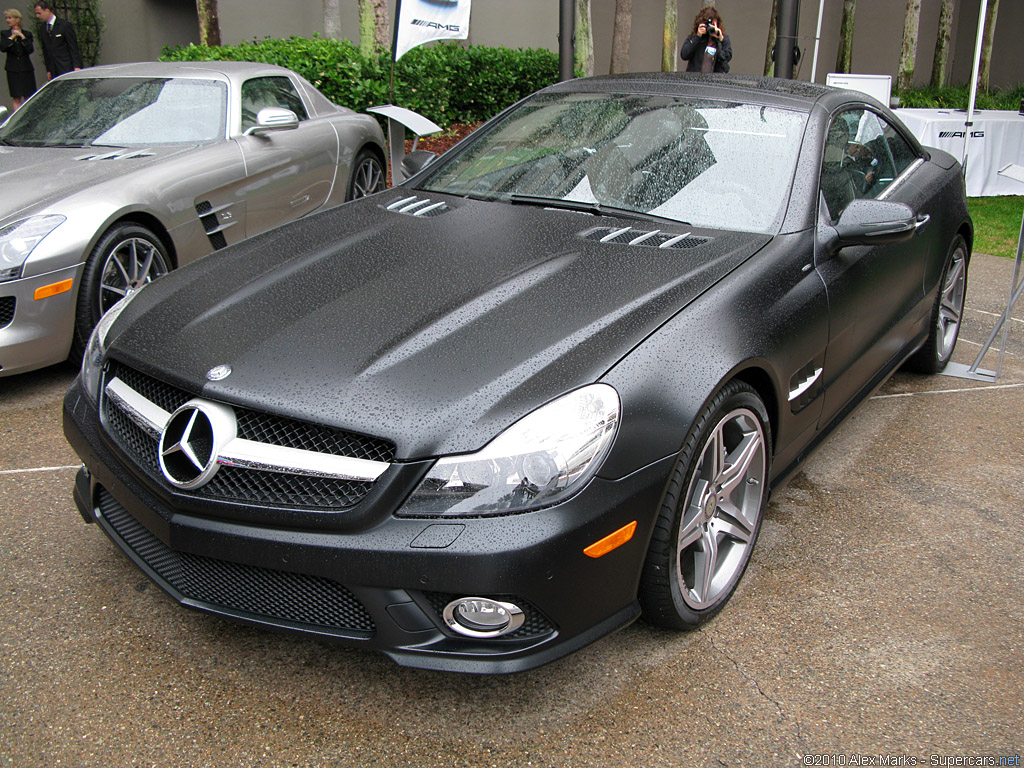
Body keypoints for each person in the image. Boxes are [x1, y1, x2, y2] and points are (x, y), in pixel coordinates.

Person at [33, 1, 81, 80]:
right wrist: (48, 69)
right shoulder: (42, 29)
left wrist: (76, 66)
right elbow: (45, 51)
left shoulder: (64, 25)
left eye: (39, 13)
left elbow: (73, 47)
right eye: (36, 14)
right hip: (53, 68)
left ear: (47, 10)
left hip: (66, 66)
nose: (37, 16)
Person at [1, 8, 36, 109]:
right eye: (7, 18)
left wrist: (22, 37)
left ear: (17, 19)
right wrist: (12, 37)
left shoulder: (27, 34)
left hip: (26, 68)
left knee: (28, 95)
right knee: (16, 96)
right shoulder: (5, 34)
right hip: (13, 69)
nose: (7, 20)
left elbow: (30, 50)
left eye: (10, 18)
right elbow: (3, 48)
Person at [680, 6, 732, 74]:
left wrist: (720, 41)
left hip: (715, 80)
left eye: (713, 25)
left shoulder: (723, 39)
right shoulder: (695, 38)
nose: (711, 28)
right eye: (709, 25)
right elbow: (684, 55)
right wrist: (698, 36)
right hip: (695, 79)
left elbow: (726, 59)